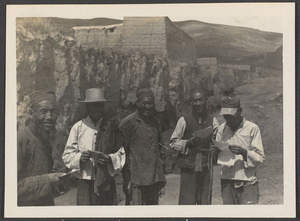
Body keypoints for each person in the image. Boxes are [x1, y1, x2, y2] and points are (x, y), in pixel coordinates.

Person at [62, 88, 125, 205]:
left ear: (103, 107)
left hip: (106, 181)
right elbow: (67, 155)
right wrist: (80, 157)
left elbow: (121, 152)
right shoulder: (78, 127)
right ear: (87, 107)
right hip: (85, 182)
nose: (96, 109)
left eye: (99, 106)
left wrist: (109, 158)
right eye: (93, 106)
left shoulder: (112, 127)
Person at [211, 96, 265, 204]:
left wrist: (244, 152)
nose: (228, 119)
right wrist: (215, 153)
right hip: (227, 181)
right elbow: (215, 160)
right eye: (225, 116)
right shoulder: (222, 129)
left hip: (247, 181)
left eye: (231, 116)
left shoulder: (252, 128)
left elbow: (260, 157)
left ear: (239, 111)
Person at [170, 90, 218, 205]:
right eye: (195, 101)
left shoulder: (213, 120)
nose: (197, 104)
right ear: (191, 103)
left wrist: (214, 146)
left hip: (206, 166)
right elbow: (173, 141)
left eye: (200, 100)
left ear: (205, 102)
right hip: (188, 167)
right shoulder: (184, 120)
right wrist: (187, 143)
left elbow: (218, 141)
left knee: (205, 202)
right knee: (187, 202)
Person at [17, 91, 65, 206]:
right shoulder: (20, 139)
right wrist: (48, 180)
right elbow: (11, 187)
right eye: (43, 112)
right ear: (31, 113)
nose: (49, 117)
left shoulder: (44, 138)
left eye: (53, 112)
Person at [119, 88, 166, 205]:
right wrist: (126, 179)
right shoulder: (128, 123)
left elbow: (159, 149)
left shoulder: (156, 122)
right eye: (144, 103)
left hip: (154, 179)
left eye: (150, 103)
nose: (148, 106)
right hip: (136, 179)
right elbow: (122, 152)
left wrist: (161, 177)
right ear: (137, 103)